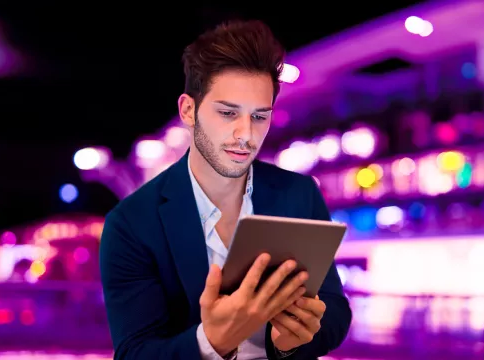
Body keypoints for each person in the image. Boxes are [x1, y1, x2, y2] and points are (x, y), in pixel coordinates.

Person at [99, 19, 352, 360]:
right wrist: (211, 343)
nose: (245, 134)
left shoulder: (299, 192)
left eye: (259, 117)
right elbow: (134, 353)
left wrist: (293, 340)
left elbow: (336, 308)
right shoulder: (131, 223)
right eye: (228, 113)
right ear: (188, 110)